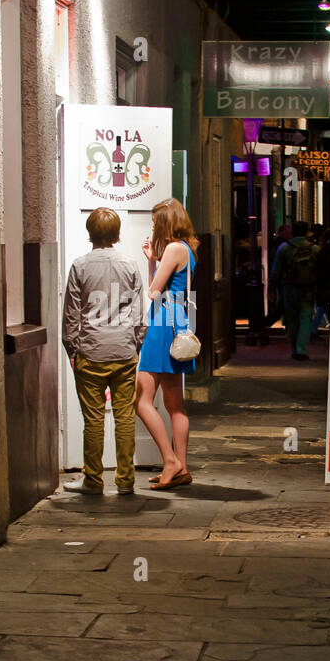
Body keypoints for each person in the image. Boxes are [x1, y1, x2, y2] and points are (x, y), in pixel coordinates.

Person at [61, 208, 145, 496]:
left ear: (90, 232)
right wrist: (136, 343)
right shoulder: (130, 265)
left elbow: (72, 313)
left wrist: (72, 347)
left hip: (91, 349)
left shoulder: (80, 266)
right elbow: (138, 313)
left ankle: (94, 480)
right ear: (117, 233)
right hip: (123, 349)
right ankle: (126, 481)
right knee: (124, 416)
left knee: (93, 419)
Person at [135, 198, 198, 490]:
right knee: (175, 403)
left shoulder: (173, 248)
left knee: (142, 399)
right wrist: (153, 260)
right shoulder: (186, 249)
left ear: (165, 222)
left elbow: (154, 291)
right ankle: (181, 467)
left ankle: (170, 461)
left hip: (163, 323)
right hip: (179, 319)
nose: (153, 226)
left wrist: (153, 265)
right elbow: (167, 285)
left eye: (154, 222)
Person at [270, 218, 318, 361]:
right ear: (306, 233)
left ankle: (294, 347)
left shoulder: (284, 248)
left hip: (289, 288)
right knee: (305, 317)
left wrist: (271, 287)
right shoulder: (315, 249)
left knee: (291, 318)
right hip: (308, 288)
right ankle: (301, 349)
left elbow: (276, 271)